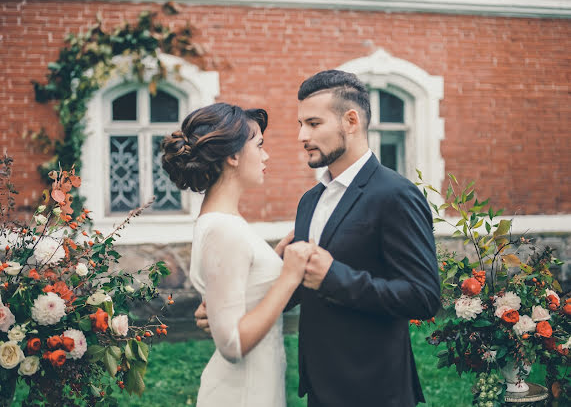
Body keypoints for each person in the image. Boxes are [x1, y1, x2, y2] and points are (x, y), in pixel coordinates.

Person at [196, 70, 441, 407]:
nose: (301, 135)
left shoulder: (395, 194)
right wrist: (236, 308)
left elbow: (424, 297)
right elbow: (302, 282)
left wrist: (334, 277)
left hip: (374, 388)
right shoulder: (310, 200)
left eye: (313, 124)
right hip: (319, 387)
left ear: (350, 121)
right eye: (300, 124)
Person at [162, 103, 315, 407]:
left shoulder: (222, 222)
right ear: (232, 156)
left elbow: (241, 290)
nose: (265, 155)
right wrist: (288, 276)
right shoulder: (223, 229)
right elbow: (232, 344)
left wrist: (272, 261)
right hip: (241, 394)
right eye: (259, 145)